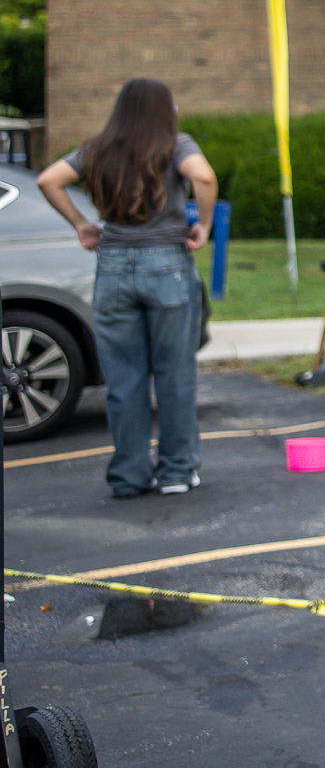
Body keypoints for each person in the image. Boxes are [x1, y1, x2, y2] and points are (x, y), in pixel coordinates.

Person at [37, 78, 216, 498]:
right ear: (162, 109)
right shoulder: (176, 143)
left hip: (113, 268)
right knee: (174, 375)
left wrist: (82, 223)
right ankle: (176, 472)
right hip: (167, 266)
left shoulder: (98, 147)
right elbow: (204, 177)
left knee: (125, 379)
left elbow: (48, 179)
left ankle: (129, 475)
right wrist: (203, 224)